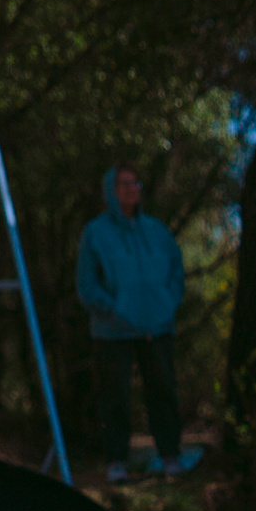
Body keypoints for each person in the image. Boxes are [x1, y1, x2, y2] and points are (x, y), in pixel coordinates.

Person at [75, 165, 187, 484]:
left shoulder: (157, 232)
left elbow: (176, 272)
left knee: (163, 391)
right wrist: (114, 309)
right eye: (122, 184)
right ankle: (116, 461)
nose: (129, 189)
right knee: (115, 396)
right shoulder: (96, 233)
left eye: (134, 183)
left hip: (157, 328)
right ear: (110, 189)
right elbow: (86, 284)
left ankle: (170, 456)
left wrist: (168, 303)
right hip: (113, 331)